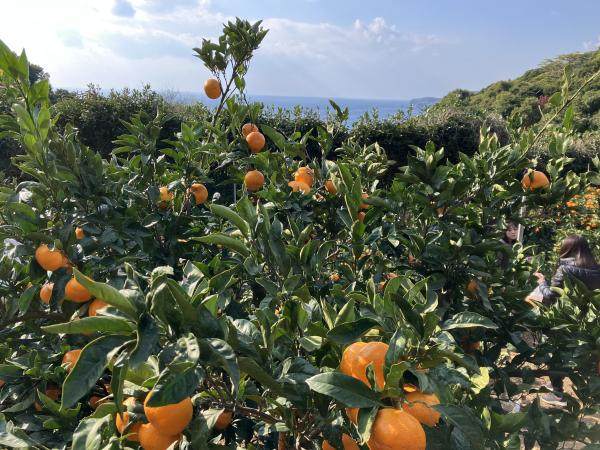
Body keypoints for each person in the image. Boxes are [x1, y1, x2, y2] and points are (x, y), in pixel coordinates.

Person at [533, 235, 600, 406]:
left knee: (555, 354)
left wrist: (542, 282)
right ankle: (591, 396)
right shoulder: (597, 269)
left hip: (564, 319)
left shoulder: (565, 269)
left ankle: (557, 394)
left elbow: (550, 295)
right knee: (586, 357)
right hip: (589, 323)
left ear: (567, 249)